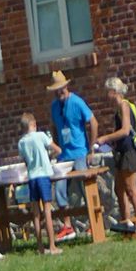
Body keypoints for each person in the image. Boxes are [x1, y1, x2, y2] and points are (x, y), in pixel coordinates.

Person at [99, 73, 136, 231]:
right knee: (119, 188)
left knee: (130, 187)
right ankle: (126, 222)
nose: (106, 95)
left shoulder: (124, 106)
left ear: (114, 91)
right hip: (121, 152)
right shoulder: (118, 110)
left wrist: (105, 138)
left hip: (129, 152)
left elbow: (126, 130)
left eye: (108, 91)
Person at [47, 68, 96, 223]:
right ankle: (67, 225)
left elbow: (93, 122)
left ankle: (92, 223)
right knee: (60, 190)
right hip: (64, 155)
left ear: (66, 87)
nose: (59, 92)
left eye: (60, 89)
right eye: (56, 90)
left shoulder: (77, 102)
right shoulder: (54, 106)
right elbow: (53, 126)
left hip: (80, 152)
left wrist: (91, 148)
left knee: (86, 188)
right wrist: (55, 147)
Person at [17, 111, 61, 255]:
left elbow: (25, 161)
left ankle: (40, 247)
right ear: (34, 124)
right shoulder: (41, 136)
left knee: (35, 214)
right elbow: (57, 149)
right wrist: (50, 156)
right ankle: (52, 246)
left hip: (32, 178)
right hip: (43, 176)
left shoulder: (21, 142)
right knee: (47, 212)